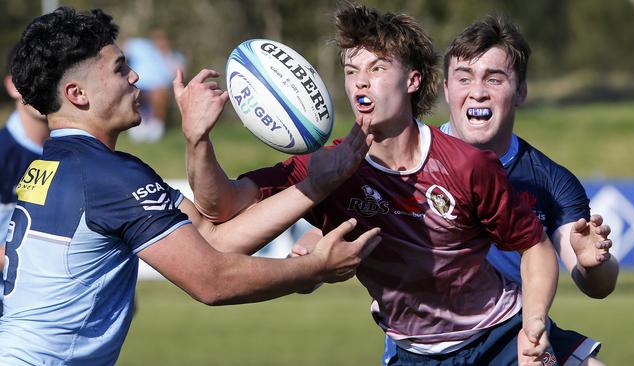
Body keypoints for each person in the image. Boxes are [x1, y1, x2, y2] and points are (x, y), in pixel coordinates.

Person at [183, 4, 569, 365]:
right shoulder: (324, 167)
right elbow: (222, 208)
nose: (361, 84)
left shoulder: (467, 164)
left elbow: (534, 246)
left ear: (413, 80)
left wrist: (534, 321)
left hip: (499, 335)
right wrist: (197, 141)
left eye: (378, 68)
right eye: (352, 72)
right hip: (411, 351)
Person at [0, 7, 381, 365]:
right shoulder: (106, 177)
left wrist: (316, 185)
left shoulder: (55, 166)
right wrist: (318, 267)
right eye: (120, 69)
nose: (135, 76)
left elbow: (211, 239)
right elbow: (211, 281)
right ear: (77, 95)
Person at [376, 15, 619, 366]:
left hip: (510, 336)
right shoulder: (407, 159)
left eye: (495, 78)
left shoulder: (549, 180)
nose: (478, 91)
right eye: (465, 78)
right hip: (427, 348)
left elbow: (598, 285)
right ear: (446, 89)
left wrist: (593, 262)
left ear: (520, 91)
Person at [0, 49, 50, 306]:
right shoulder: (3, 155)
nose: (42, 87)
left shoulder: (72, 155)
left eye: (52, 77)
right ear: (12, 86)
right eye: (32, 78)